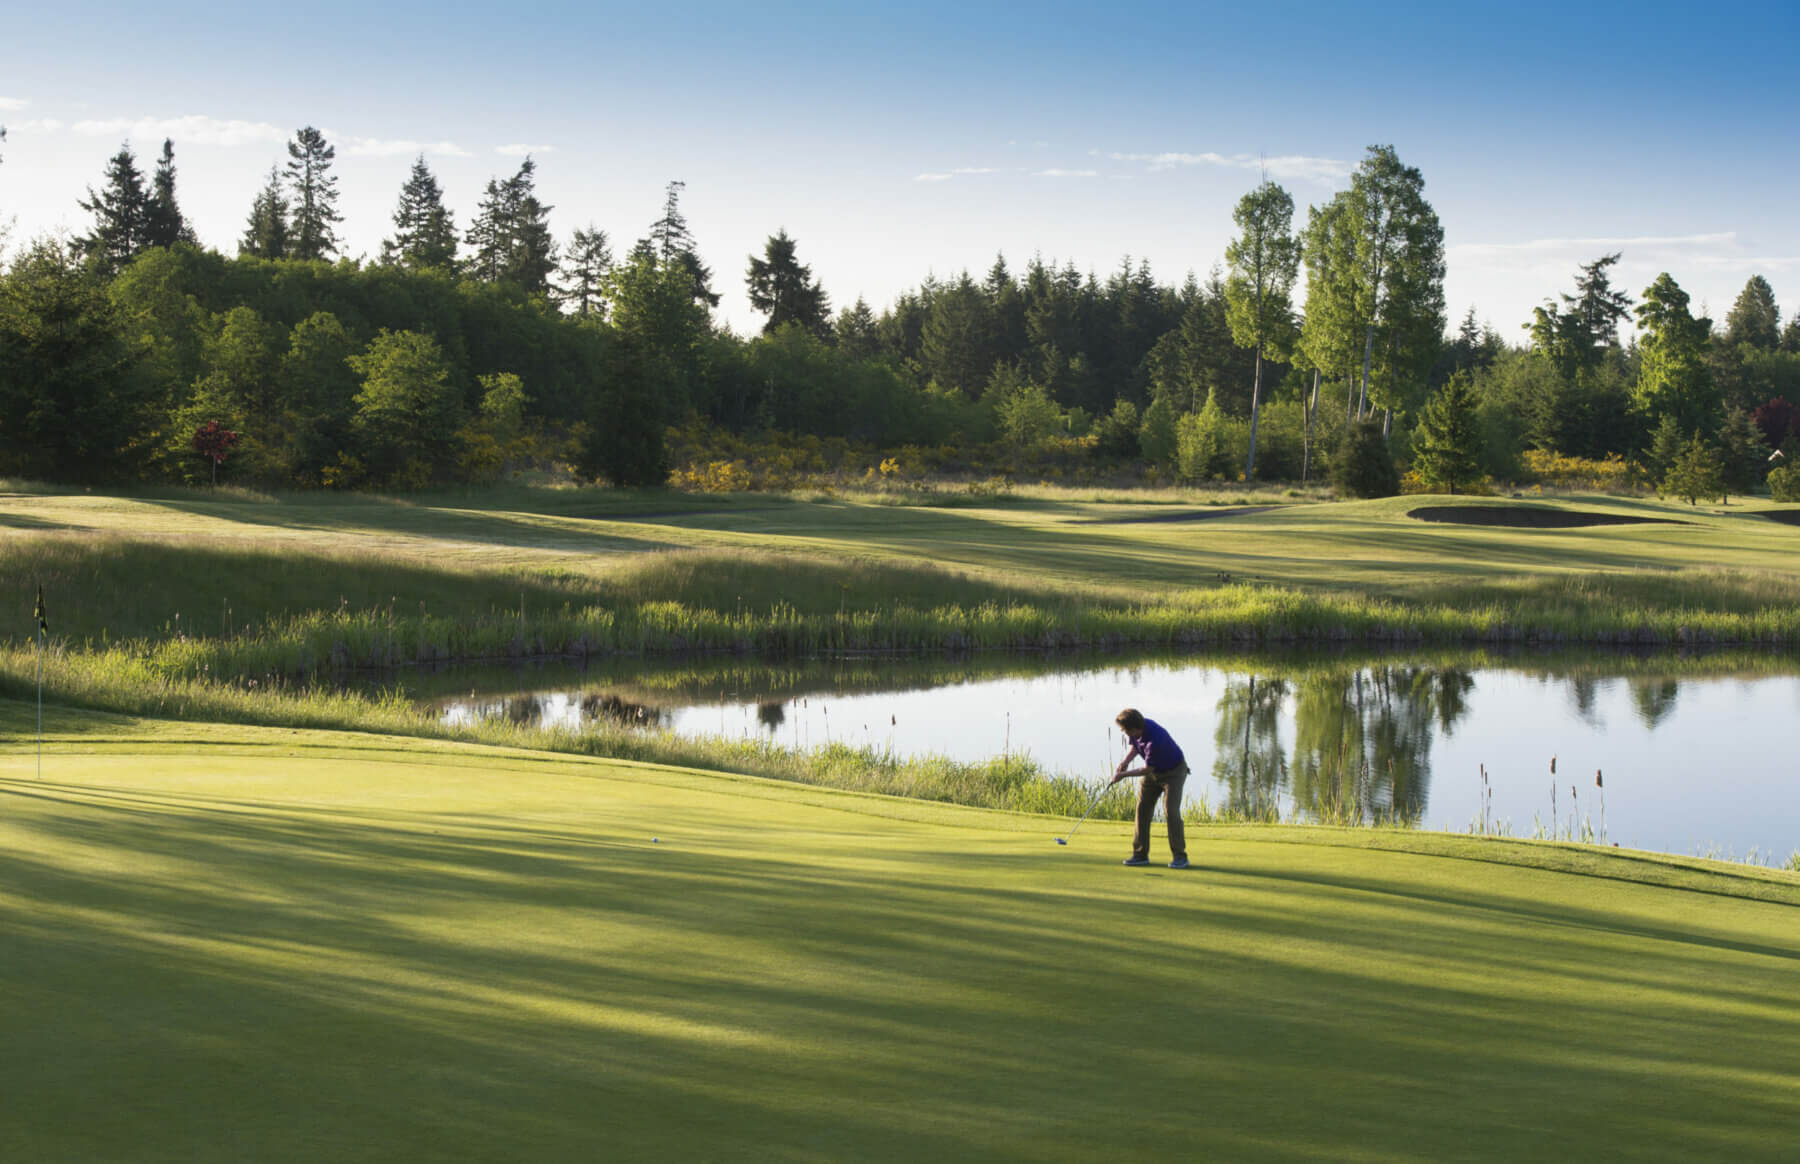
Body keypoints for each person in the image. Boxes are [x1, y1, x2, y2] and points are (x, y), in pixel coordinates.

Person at [1109, 707, 1190, 868]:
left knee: (1171, 812)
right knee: (1142, 809)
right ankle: (1140, 854)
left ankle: (1180, 856)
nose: (1124, 733)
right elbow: (1135, 747)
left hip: (1173, 773)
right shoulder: (1137, 731)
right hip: (1153, 772)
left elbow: (1146, 769)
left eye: (1125, 730)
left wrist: (1123, 775)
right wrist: (1125, 763)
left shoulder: (1155, 741)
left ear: (1134, 728)